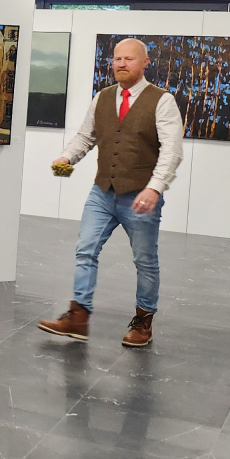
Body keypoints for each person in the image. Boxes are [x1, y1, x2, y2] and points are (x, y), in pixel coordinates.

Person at [39, 37, 185, 348]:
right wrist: (67, 157)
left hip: (140, 195)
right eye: (117, 58)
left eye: (129, 59)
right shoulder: (102, 98)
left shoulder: (162, 101)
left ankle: (143, 321)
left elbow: (172, 151)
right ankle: (78, 316)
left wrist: (155, 188)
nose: (121, 64)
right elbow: (85, 136)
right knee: (85, 249)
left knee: (145, 260)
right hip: (102, 191)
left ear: (145, 63)